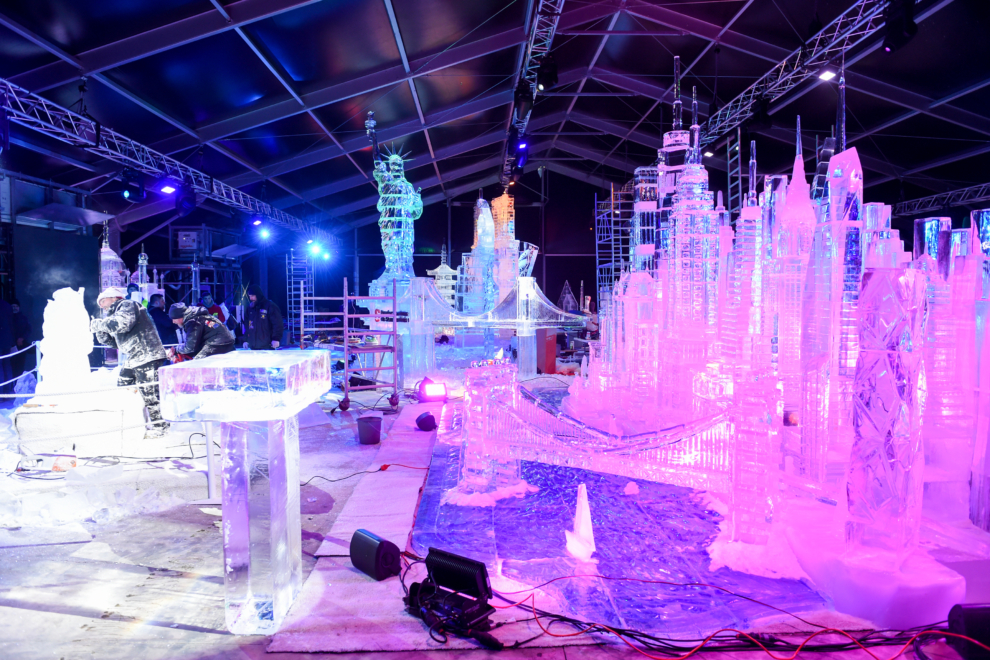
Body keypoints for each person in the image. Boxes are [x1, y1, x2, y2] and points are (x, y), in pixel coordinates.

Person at [90, 287, 170, 438]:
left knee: (149, 393)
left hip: (147, 353)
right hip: (134, 356)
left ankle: (161, 427)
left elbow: (122, 324)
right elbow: (115, 343)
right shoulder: (114, 314)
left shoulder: (127, 305)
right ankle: (131, 423)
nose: (101, 304)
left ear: (114, 297)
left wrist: (100, 324)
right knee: (124, 388)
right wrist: (101, 332)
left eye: (103, 300)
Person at [168, 303, 235, 360]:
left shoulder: (193, 322)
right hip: (226, 342)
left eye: (174, 319)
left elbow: (190, 347)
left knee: (197, 365)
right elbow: (195, 346)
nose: (173, 322)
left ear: (181, 316)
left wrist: (176, 350)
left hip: (217, 344)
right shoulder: (199, 317)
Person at [244, 284, 284, 350]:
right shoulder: (250, 308)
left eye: (253, 296)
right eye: (250, 296)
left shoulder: (270, 306)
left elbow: (277, 324)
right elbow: (247, 325)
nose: (251, 298)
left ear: (258, 294)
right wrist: (245, 340)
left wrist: (276, 339)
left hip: (267, 346)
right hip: (253, 346)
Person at [10, 298, 31, 379]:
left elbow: (29, 330)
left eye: (16, 306)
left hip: (22, 346)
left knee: (20, 366)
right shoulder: (8, 319)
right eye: (13, 306)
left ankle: (19, 384)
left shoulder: (24, 318)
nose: (15, 308)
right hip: (11, 347)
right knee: (11, 366)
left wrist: (22, 338)